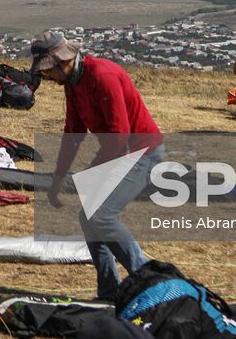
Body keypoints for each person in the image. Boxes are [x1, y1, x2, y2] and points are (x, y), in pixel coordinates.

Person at [32, 32, 164, 302]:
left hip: (142, 152)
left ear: (63, 62)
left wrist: (92, 173)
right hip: (119, 152)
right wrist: (58, 177)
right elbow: (73, 133)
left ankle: (148, 284)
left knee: (101, 216)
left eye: (47, 71)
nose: (47, 78)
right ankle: (109, 293)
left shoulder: (103, 76)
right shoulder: (73, 83)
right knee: (89, 218)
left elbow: (120, 134)